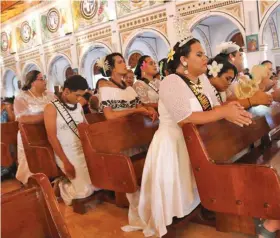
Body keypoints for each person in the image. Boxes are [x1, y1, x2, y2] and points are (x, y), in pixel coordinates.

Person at [122, 37, 252, 237]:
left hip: (195, 141)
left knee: (192, 185)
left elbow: (212, 108)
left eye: (204, 55)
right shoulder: (171, 82)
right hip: (172, 144)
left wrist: (230, 109)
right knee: (175, 190)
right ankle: (170, 218)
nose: (205, 59)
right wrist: (224, 113)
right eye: (199, 55)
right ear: (183, 59)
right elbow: (185, 118)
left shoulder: (202, 81)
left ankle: (194, 208)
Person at [44, 75, 97, 205]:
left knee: (98, 183)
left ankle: (68, 182)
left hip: (82, 150)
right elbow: (52, 137)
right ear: (66, 91)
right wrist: (66, 162)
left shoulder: (78, 107)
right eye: (77, 95)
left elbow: (86, 128)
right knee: (85, 191)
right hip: (66, 153)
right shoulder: (51, 108)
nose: (80, 99)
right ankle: (62, 186)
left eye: (82, 96)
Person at [14, 70, 55, 184]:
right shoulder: (21, 98)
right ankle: (33, 181)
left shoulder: (50, 95)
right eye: (41, 79)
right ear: (32, 82)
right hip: (30, 133)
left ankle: (52, 177)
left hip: (49, 130)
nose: (45, 81)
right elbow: (22, 119)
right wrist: (47, 116)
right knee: (32, 161)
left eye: (44, 78)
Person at [97, 53, 157, 121]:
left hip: (133, 126)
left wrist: (149, 109)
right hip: (115, 128)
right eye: (120, 62)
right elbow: (110, 116)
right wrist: (134, 111)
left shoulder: (129, 88)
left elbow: (140, 107)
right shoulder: (105, 87)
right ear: (112, 68)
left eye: (124, 61)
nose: (124, 64)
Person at [216, 42, 273, 108]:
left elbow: (251, 93)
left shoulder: (241, 76)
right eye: (240, 55)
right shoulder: (224, 77)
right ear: (231, 57)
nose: (243, 59)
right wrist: (261, 89)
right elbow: (226, 102)